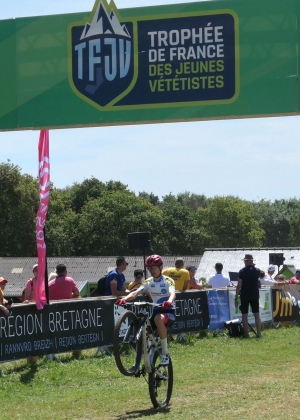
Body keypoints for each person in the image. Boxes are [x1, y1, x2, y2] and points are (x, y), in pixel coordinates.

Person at [116, 254, 176, 366]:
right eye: (149, 268)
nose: (152, 270)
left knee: (158, 319)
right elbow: (135, 293)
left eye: (154, 267)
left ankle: (165, 352)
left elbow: (173, 293)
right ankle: (143, 359)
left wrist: (169, 301)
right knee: (141, 332)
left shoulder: (168, 280)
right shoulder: (148, 282)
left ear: (161, 267)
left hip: (168, 313)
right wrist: (124, 299)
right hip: (155, 313)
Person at [235, 254, 262, 339]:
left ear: (247, 261)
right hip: (254, 294)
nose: (244, 262)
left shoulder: (242, 271)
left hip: (245, 295)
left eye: (245, 260)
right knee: (257, 314)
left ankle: (246, 334)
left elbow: (239, 285)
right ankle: (259, 333)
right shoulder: (257, 271)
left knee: (244, 315)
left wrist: (236, 296)